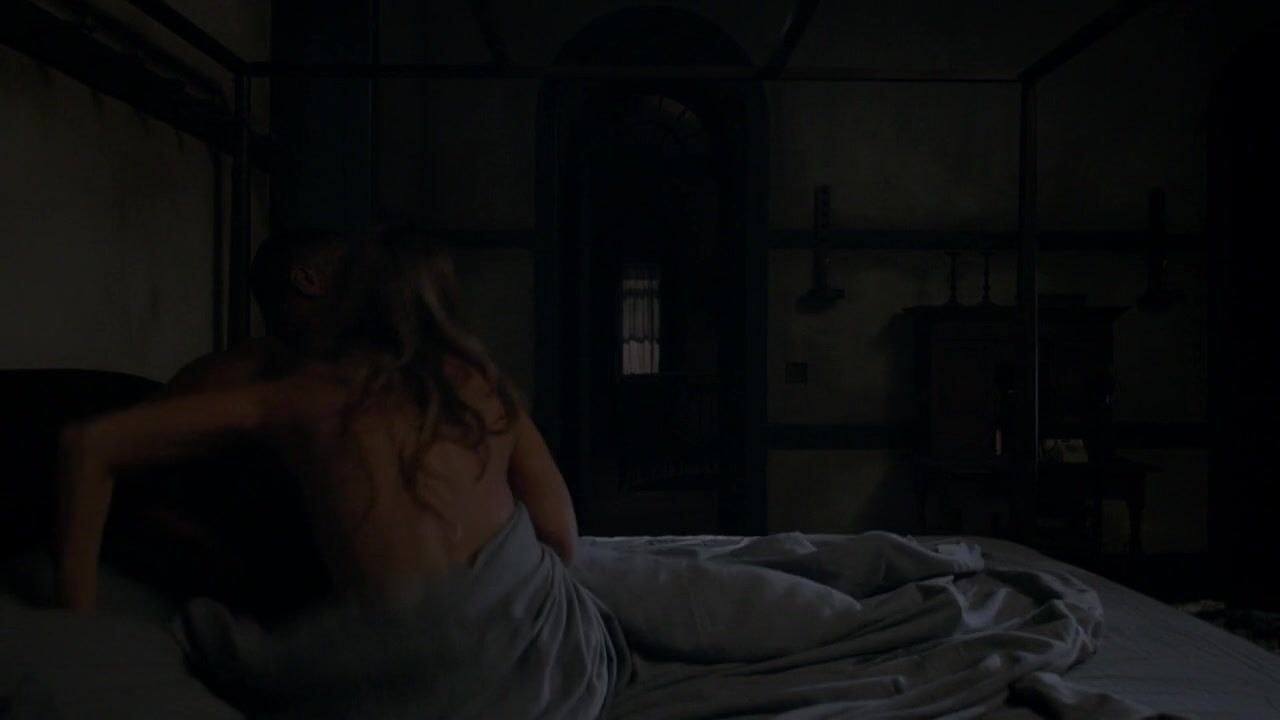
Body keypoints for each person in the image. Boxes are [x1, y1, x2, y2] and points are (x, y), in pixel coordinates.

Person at [54, 223, 579, 609]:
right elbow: (116, 472)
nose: (374, 288)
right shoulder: (253, 379)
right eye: (358, 276)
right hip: (294, 585)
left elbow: (549, 532)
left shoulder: (414, 381)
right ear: (310, 281)